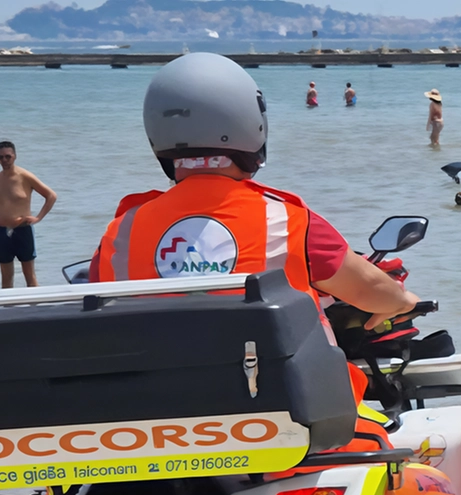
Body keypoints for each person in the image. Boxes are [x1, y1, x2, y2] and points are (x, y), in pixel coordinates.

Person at [89, 54, 418, 441]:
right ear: (252, 123)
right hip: (284, 426)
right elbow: (371, 290)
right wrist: (400, 300)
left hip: (159, 430)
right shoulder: (288, 220)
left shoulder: (121, 232)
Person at [0, 140, 57, 289]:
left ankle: (35, 310)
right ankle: (8, 311)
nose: (4, 160)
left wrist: (38, 218)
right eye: (1, 157)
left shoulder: (25, 176)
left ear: (15, 156)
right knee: (6, 279)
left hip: (23, 230)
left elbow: (51, 196)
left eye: (7, 156)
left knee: (30, 276)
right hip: (2, 232)